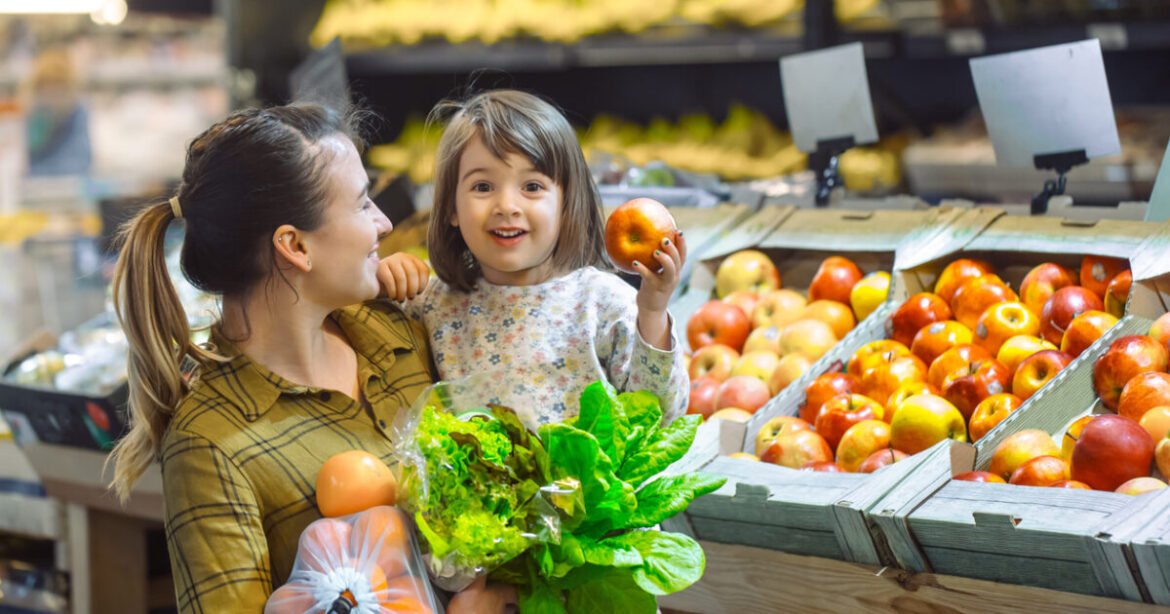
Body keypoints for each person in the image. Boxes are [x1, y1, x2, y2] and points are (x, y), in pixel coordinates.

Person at [108, 103, 512, 613]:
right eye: (363, 204)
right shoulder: (211, 444)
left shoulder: (395, 331)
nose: (385, 223)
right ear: (295, 245)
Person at [379, 89, 688, 426]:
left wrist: (654, 311)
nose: (507, 206)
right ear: (451, 207)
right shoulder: (433, 305)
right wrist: (383, 280)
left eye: (532, 187)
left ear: (567, 203)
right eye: (483, 187)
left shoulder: (604, 304)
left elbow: (660, 418)